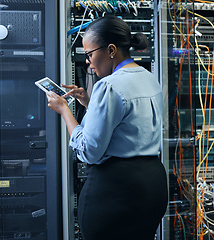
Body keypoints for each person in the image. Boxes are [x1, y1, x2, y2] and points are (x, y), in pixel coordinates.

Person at [46, 15, 168, 240]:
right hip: (152, 188)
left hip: (116, 194)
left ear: (111, 50)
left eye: (90, 54)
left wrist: (65, 110)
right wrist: (89, 104)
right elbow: (128, 124)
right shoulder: (149, 77)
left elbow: (88, 150)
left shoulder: (109, 85)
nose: (88, 63)